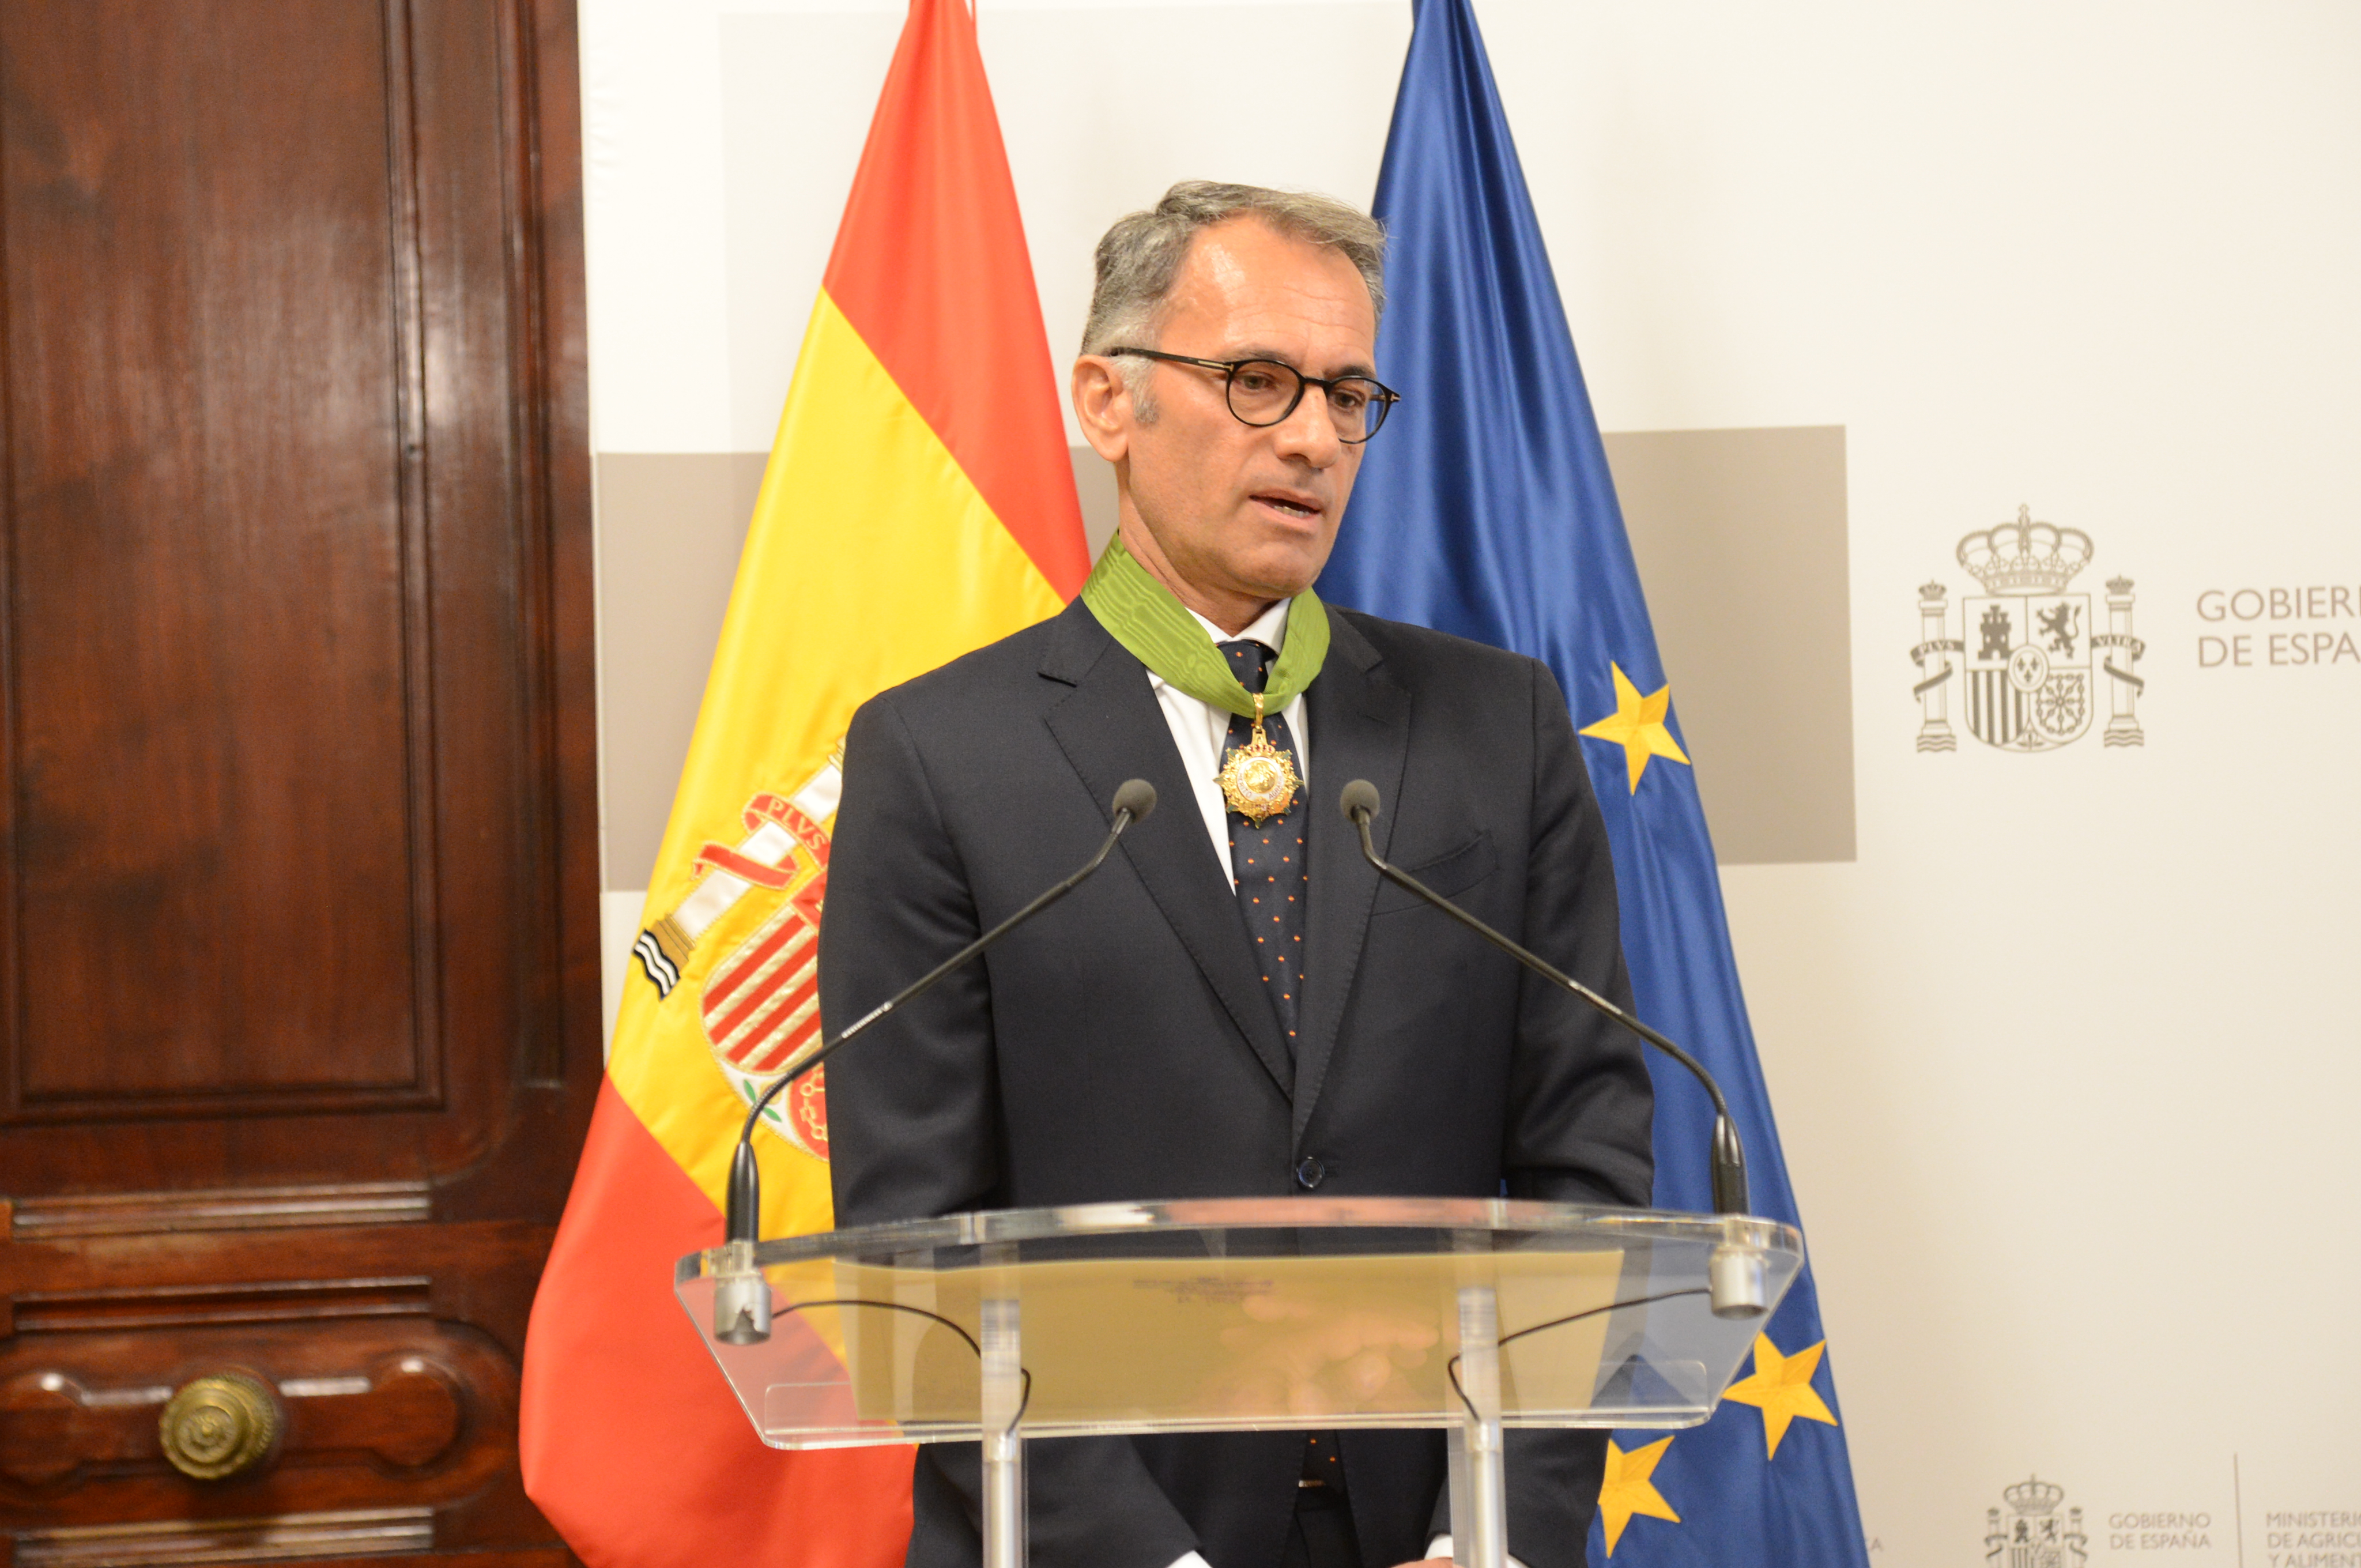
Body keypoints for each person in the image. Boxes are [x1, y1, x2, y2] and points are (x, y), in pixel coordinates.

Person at [820, 181, 1654, 1568]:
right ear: (1108, 402)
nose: (1314, 437)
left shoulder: (1495, 725)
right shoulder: (938, 754)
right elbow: (919, 1243)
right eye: (1258, 381)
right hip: (1092, 1537)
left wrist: (1487, 1527)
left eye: (1347, 395)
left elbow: (1585, 1166)